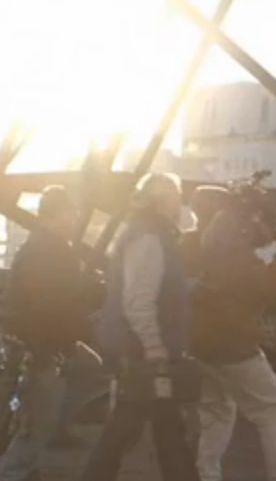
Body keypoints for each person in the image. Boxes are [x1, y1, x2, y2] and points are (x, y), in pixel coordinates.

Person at [78, 173, 200, 481]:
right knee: (144, 431)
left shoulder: (148, 234)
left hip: (140, 351)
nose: (179, 205)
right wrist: (154, 345)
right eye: (176, 198)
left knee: (155, 430)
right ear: (163, 202)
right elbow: (138, 300)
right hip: (144, 353)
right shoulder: (148, 239)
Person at [0, 185, 103, 481]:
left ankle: (54, 427)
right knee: (33, 423)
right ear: (60, 213)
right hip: (39, 346)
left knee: (88, 367)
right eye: (72, 212)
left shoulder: (46, 247)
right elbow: (50, 305)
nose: (76, 218)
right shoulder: (48, 251)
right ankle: (16, 472)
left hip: (42, 341)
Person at [190, 196, 276, 481]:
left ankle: (206, 474)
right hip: (236, 346)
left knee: (217, 411)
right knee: (271, 412)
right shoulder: (240, 259)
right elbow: (270, 290)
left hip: (200, 346)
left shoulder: (205, 251)